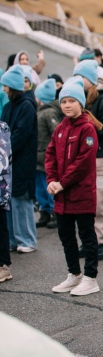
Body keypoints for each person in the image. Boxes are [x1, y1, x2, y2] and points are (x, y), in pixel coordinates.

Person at [46, 77, 101, 296]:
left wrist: (62, 182)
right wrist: (51, 180)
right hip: (61, 195)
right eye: (64, 101)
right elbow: (50, 154)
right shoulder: (60, 128)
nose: (67, 105)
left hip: (81, 193)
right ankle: (74, 274)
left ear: (81, 103)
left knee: (87, 236)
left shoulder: (87, 129)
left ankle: (90, 278)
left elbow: (83, 162)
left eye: (71, 101)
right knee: (66, 237)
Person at [74, 60, 103, 261]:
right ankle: (90, 242)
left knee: (100, 202)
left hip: (101, 157)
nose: (78, 80)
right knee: (85, 202)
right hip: (84, 159)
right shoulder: (78, 98)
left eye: (81, 76)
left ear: (91, 80)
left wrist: (93, 124)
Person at [1, 66, 38, 254]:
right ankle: (13, 239)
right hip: (8, 159)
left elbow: (20, 134)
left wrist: (5, 150)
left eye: (5, 85)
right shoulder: (9, 106)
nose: (3, 89)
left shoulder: (27, 106)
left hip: (22, 160)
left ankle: (27, 240)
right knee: (9, 199)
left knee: (21, 198)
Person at [35, 78, 61, 229]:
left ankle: (54, 212)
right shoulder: (41, 111)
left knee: (48, 185)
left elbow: (56, 133)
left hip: (45, 155)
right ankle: (44, 211)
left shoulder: (49, 112)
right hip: (38, 156)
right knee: (40, 188)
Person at [0, 119, 12, 282]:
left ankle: (3, 266)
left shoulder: (2, 128)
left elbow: (3, 159)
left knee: (0, 225)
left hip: (0, 185)